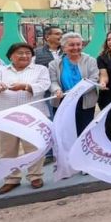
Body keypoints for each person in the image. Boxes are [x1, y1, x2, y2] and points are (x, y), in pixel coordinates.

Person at [0, 43, 50, 194]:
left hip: (31, 115)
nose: (24, 56)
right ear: (10, 56)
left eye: (28, 53)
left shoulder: (40, 69)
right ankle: (11, 179)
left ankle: (35, 176)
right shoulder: (1, 70)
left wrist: (26, 86)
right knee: (5, 149)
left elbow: (44, 85)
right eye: (19, 53)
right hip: (4, 115)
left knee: (34, 147)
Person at [48, 32, 99, 135]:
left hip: (84, 101)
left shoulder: (90, 60)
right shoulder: (54, 64)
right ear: (64, 47)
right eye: (71, 45)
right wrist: (56, 90)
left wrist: (76, 91)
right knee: (64, 132)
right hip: (62, 101)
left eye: (78, 44)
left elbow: (94, 79)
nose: (76, 47)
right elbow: (52, 81)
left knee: (83, 132)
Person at [34, 25, 63, 165]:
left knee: (64, 122)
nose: (60, 36)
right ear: (47, 37)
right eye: (57, 34)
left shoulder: (68, 50)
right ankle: (50, 153)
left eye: (61, 34)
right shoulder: (37, 54)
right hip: (47, 94)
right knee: (48, 122)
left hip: (66, 93)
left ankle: (64, 151)